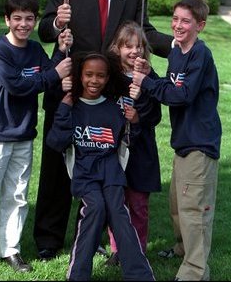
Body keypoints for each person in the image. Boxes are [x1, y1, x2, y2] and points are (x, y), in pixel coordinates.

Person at [34, 0, 174, 261]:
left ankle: (94, 234)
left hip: (108, 93)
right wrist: (56, 23)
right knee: (57, 161)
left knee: (100, 163)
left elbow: (145, 31)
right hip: (70, 86)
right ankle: (48, 239)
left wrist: (179, 46)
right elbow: (44, 28)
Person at [0, 0, 72, 272]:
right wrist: (55, 74)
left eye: (28, 18)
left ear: (35, 20)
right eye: (17, 19)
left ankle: (10, 251)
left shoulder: (36, 50)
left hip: (24, 134)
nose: (23, 24)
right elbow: (18, 85)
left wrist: (61, 48)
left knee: (17, 195)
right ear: (7, 19)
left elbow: (51, 78)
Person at [131, 0, 222, 281]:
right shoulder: (177, 51)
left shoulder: (200, 55)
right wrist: (151, 74)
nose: (177, 25)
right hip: (183, 142)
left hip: (200, 142)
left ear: (200, 26)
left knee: (194, 210)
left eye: (185, 21)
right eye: (175, 19)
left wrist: (145, 83)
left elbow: (181, 96)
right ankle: (183, 249)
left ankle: (195, 272)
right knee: (177, 204)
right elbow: (169, 86)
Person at [46, 51, 156, 281]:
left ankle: (139, 275)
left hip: (111, 172)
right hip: (85, 173)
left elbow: (130, 141)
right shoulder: (72, 107)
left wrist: (134, 121)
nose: (94, 81)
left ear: (107, 78)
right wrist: (64, 109)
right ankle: (77, 275)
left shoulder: (113, 109)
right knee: (94, 208)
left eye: (100, 76)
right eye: (88, 75)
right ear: (80, 76)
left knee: (118, 212)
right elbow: (56, 141)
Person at [104, 20, 162, 267]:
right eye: (128, 46)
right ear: (118, 48)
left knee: (138, 205)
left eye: (139, 46)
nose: (134, 51)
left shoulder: (149, 77)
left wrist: (138, 115)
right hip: (113, 151)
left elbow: (156, 116)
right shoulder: (110, 76)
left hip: (140, 152)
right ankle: (117, 249)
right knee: (116, 204)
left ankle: (137, 250)